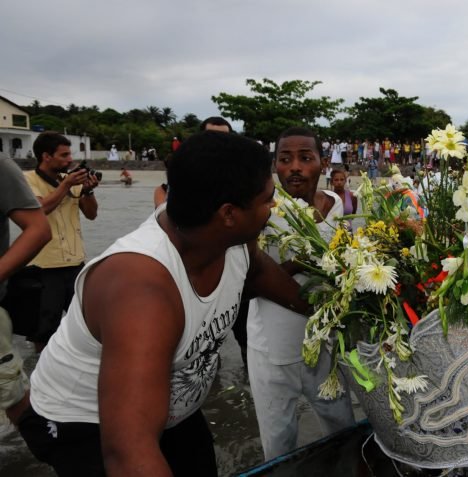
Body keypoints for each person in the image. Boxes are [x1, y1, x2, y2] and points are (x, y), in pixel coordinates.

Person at [18, 131, 308, 476]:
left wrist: (335, 310)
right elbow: (128, 453)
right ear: (229, 214)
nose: (273, 208)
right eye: (268, 199)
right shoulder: (141, 290)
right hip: (83, 422)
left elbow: (264, 276)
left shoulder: (231, 241)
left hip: (173, 406)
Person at [247, 127, 355, 460]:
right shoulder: (262, 212)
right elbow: (248, 279)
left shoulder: (335, 205)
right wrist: (303, 260)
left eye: (305, 158)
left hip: (324, 342)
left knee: (342, 426)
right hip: (274, 350)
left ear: (323, 164)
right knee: (279, 441)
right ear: (275, 165)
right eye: (285, 159)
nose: (294, 167)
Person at [23, 132, 99, 351]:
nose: (70, 159)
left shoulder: (69, 179)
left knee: (86, 324)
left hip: (75, 264)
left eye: (70, 154)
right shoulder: (28, 179)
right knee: (43, 329)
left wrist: (88, 191)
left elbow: (91, 214)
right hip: (44, 266)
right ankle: (39, 367)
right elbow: (40, 209)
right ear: (46, 156)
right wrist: (66, 185)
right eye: (64, 155)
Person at [0, 157, 51, 425]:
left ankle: (43, 441)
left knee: (12, 394)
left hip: (60, 265)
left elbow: (39, 228)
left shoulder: (2, 167)